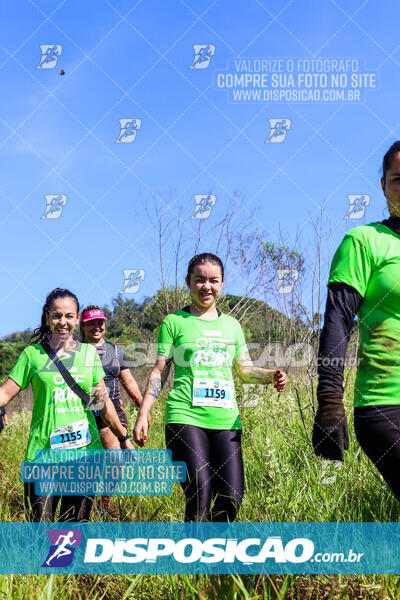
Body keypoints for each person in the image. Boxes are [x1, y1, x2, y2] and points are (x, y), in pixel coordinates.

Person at [133, 252, 287, 522]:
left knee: (232, 496)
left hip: (226, 420)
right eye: (200, 280)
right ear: (188, 282)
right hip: (185, 416)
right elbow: (160, 370)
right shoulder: (175, 323)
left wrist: (270, 376)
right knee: (200, 491)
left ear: (222, 284)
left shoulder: (232, 325)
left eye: (213, 280)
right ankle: (194, 561)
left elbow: (245, 370)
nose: (207, 286)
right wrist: (144, 412)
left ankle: (214, 558)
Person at [313, 140, 400, 502]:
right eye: (398, 179)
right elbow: (337, 320)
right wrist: (330, 400)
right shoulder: (364, 242)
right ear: (383, 186)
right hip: (386, 404)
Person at [0, 288, 134, 522]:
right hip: (43, 457)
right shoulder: (33, 355)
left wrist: (124, 438)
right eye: (57, 315)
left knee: (71, 530)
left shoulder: (88, 355)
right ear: (47, 317)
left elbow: (101, 403)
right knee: (39, 532)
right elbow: (5, 393)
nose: (63, 322)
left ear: (77, 318)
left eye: (69, 316)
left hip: (83, 456)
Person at [80, 305, 145, 511]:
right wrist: (101, 410)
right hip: (91, 411)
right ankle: (87, 509)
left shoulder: (115, 350)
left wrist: (143, 408)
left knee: (116, 462)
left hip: (116, 409)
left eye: (100, 322)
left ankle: (104, 503)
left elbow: (129, 382)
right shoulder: (77, 351)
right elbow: (93, 393)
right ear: (83, 326)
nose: (96, 327)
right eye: (91, 323)